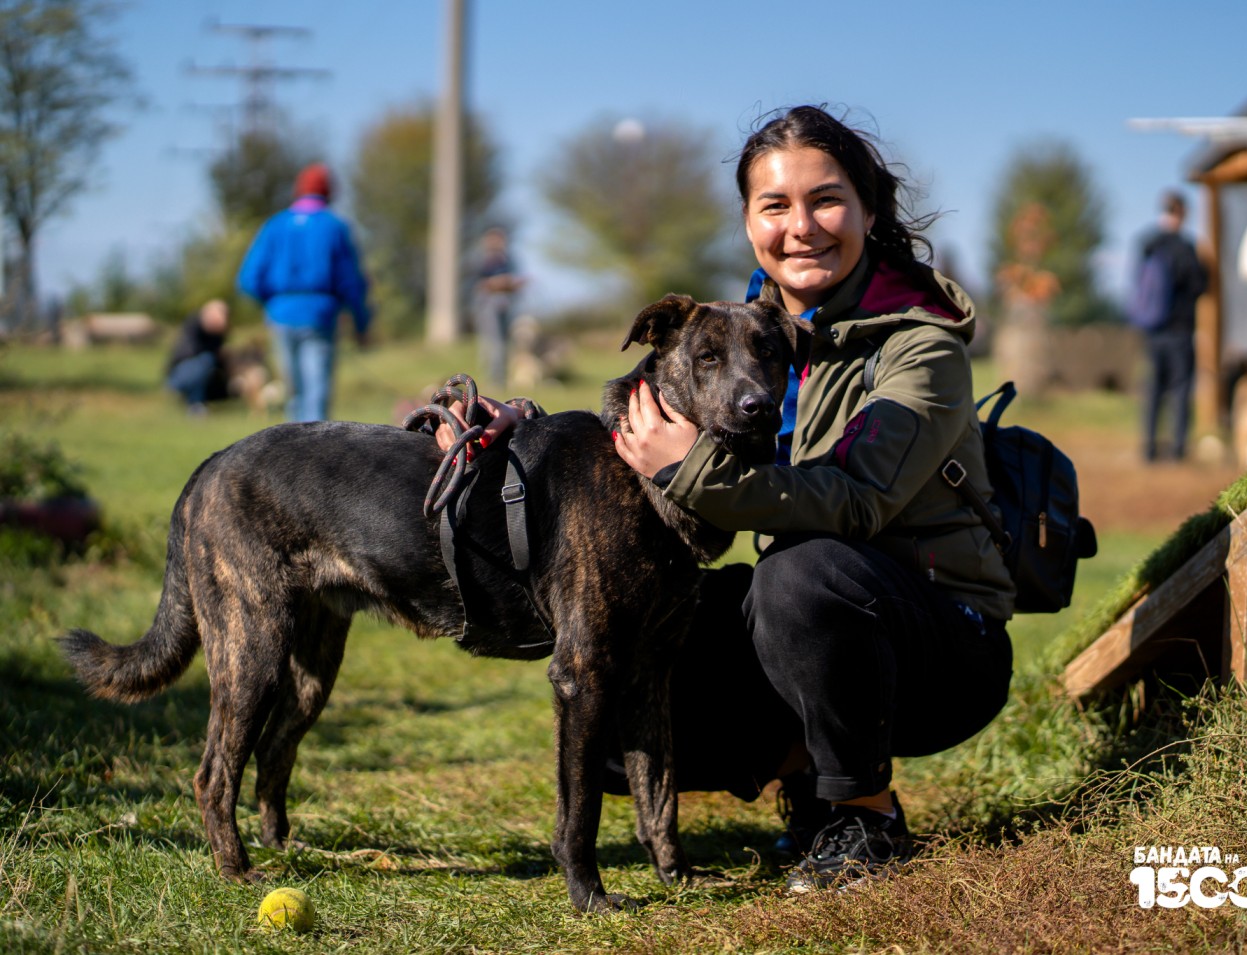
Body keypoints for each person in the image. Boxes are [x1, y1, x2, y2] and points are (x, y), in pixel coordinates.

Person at [437, 105, 1015, 893]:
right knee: (622, 658)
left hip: (941, 644)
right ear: (748, 221)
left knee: (801, 574)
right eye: (774, 205)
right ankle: (805, 770)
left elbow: (858, 504)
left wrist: (693, 470)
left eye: (826, 199)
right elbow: (646, 431)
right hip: (818, 623)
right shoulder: (746, 332)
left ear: (869, 210)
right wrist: (522, 432)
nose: (801, 226)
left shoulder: (919, 344)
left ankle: (865, 817)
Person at [238, 163, 372, 422]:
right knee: (316, 394)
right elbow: (352, 282)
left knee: (295, 394)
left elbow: (249, 278)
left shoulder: (275, 225)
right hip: (319, 315)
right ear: (329, 192)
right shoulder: (335, 227)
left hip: (281, 315)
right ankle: (315, 457)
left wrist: (274, 303)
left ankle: (294, 455)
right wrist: (361, 322)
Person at [1135, 191, 1207, 463]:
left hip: (1152, 329)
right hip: (1180, 329)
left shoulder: (1147, 243)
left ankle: (1150, 447)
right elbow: (1200, 285)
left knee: (1153, 387)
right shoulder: (1186, 248)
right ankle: (1177, 447)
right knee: (1179, 387)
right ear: (1182, 213)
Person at [471, 226, 525, 389]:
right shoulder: (481, 259)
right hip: (488, 305)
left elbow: (515, 281)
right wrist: (497, 283)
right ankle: (493, 379)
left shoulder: (508, 260)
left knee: (505, 343)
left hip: (506, 304)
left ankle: (502, 377)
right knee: (492, 343)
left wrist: (512, 284)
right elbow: (478, 284)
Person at [165, 299, 231, 414]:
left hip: (198, 372)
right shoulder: (193, 326)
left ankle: (201, 402)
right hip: (179, 374)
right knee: (206, 360)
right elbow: (190, 352)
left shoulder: (217, 336)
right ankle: (195, 405)